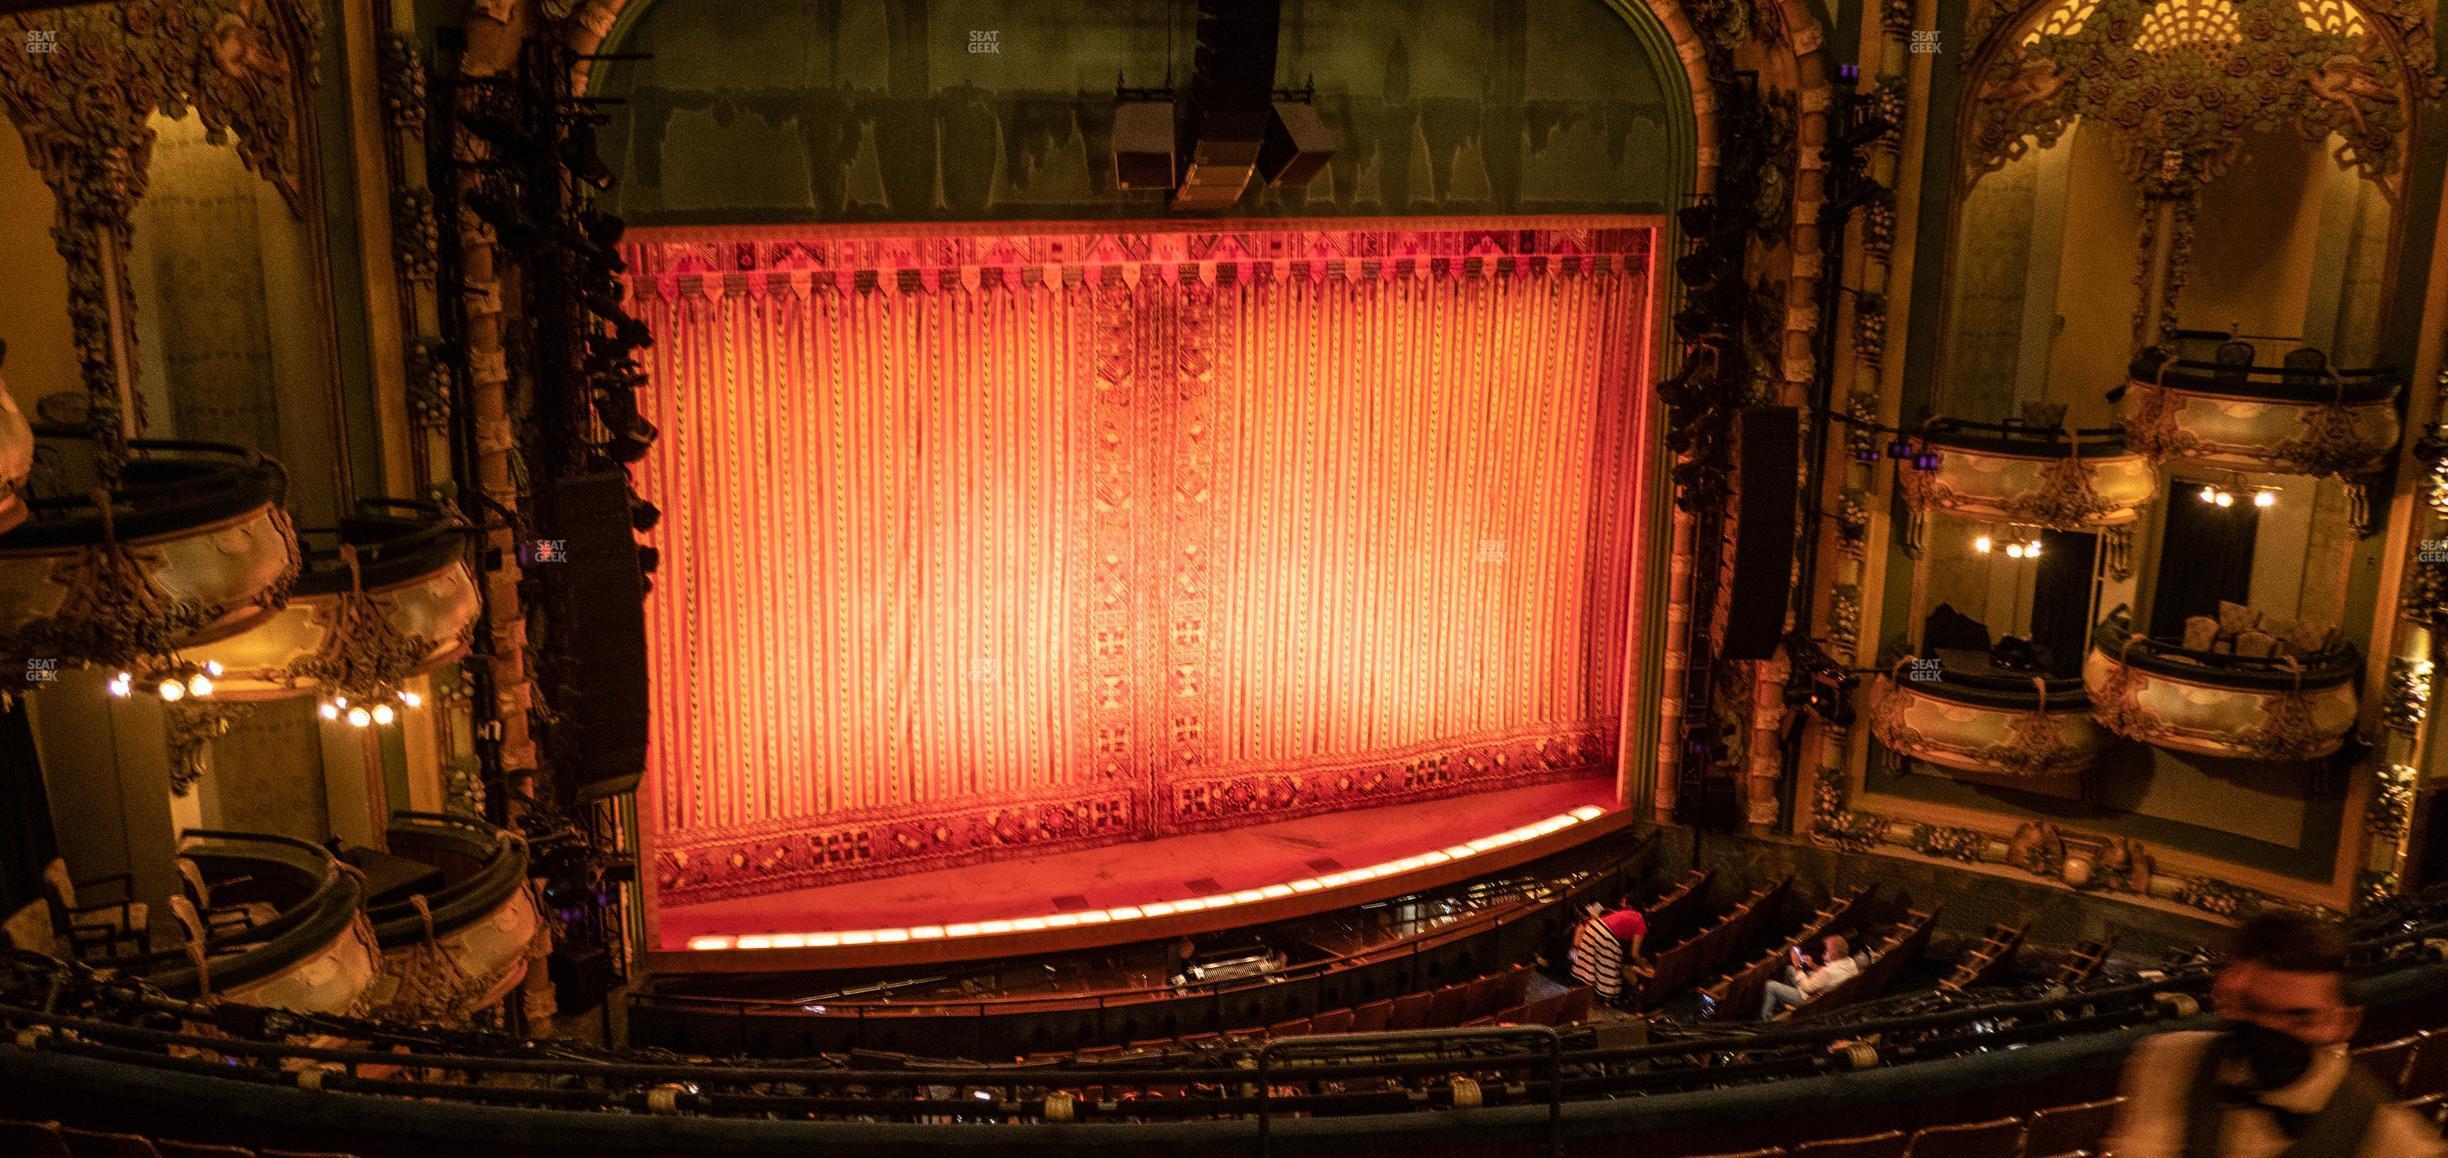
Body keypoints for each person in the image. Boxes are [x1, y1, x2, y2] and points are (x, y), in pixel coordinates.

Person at [2104, 911, 2443, 1157]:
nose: (2270, 1029)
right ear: (2226, 999)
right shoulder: (2170, 1061)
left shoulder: (2389, 1137)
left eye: (2300, 1018)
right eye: (2254, 1008)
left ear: (2344, 1023)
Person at [1760, 933, 1860, 1019]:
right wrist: (1812, 964)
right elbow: (1829, 975)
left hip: (1810, 1001)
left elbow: (1807, 988)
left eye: (1826, 950)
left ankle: (1766, 1019)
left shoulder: (1827, 972)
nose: (1824, 951)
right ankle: (1784, 1004)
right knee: (1789, 970)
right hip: (1829, 994)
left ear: (1834, 955)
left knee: (1770, 986)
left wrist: (1797, 965)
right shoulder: (1850, 962)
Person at [1569, 898, 1645, 1006]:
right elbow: (1634, 953)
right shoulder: (1641, 922)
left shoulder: (1627, 912)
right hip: (1605, 935)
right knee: (1609, 968)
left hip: (1592, 928)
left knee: (1589, 966)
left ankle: (1580, 996)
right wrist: (1645, 967)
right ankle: (1605, 1000)